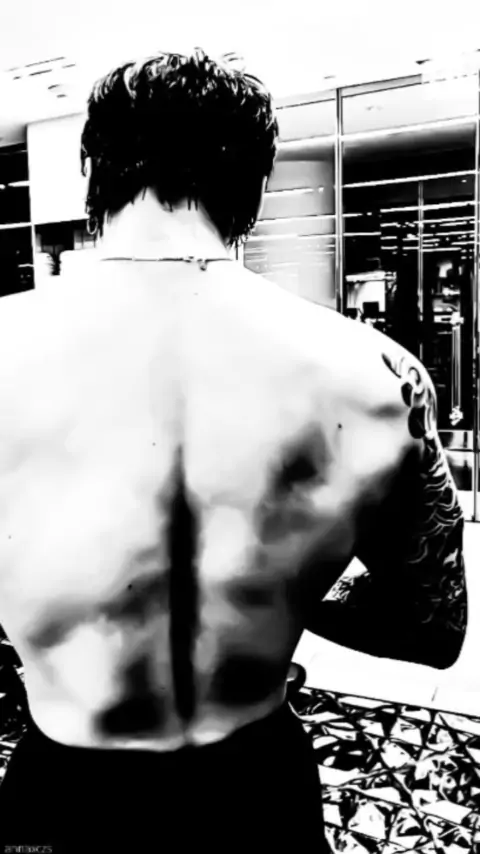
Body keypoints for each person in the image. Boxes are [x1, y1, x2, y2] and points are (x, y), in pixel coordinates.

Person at [0, 49, 467, 853]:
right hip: (256, 793)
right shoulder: (379, 374)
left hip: (64, 798)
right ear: (253, 185)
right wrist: (270, 587)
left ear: (93, 171)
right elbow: (431, 627)